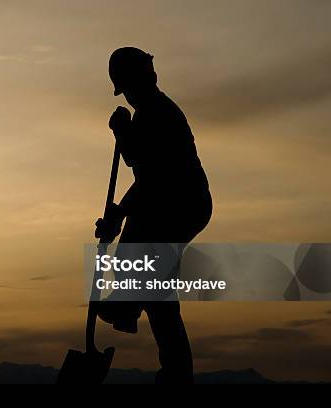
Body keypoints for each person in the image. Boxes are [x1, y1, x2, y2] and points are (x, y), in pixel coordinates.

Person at [94, 47, 212, 384]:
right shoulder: (149, 112)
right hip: (171, 203)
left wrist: (123, 133)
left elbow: (151, 175)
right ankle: (130, 308)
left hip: (182, 205)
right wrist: (117, 214)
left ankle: (127, 306)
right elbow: (147, 176)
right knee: (158, 294)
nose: (129, 95)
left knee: (146, 267)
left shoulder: (158, 113)